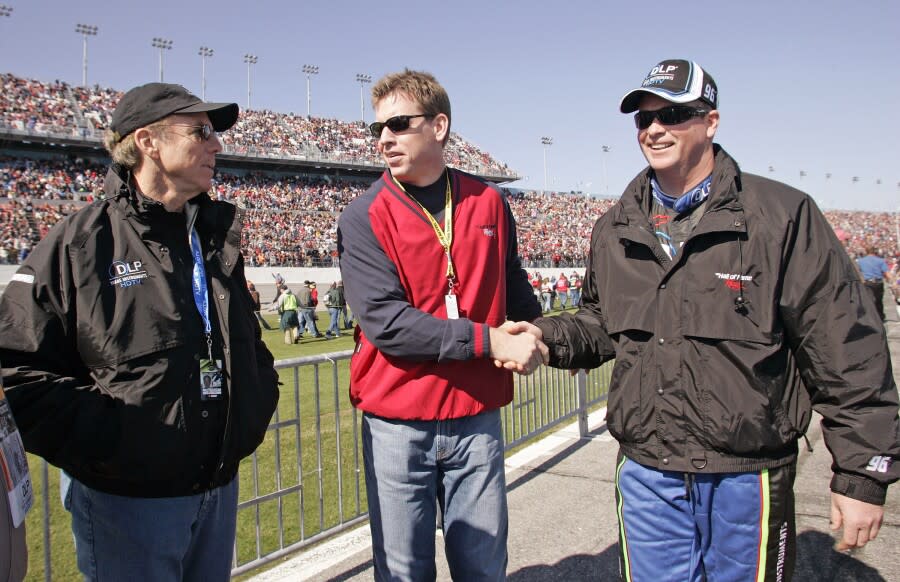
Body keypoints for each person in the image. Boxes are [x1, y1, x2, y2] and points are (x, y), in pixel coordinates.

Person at [510, 59, 900, 581]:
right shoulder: (615, 225)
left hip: (748, 473)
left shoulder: (782, 216)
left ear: (710, 122)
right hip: (649, 470)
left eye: (672, 114)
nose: (653, 128)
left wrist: (859, 476)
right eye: (642, 118)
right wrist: (545, 335)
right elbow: (602, 321)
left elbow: (845, 349)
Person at [0, 82, 280, 581]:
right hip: (127, 502)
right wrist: (118, 443)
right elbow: (18, 369)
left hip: (217, 488)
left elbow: (250, 346)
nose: (216, 145)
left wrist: (256, 405)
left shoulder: (213, 240)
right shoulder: (79, 244)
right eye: (200, 131)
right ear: (148, 142)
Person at [337, 68, 547, 581]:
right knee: (406, 571)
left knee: (483, 567)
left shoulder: (489, 201)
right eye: (377, 128)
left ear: (439, 126)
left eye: (399, 123)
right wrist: (489, 339)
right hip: (398, 421)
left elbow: (513, 284)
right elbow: (389, 325)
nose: (384, 138)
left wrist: (538, 333)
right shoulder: (363, 215)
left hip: (476, 416)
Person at [857, 245, 892, 321]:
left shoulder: (861, 261)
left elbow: (858, 273)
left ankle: (872, 318)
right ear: (875, 251)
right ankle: (880, 317)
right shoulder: (880, 260)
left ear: (866, 251)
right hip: (878, 283)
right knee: (879, 300)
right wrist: (891, 282)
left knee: (870, 301)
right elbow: (887, 274)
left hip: (868, 283)